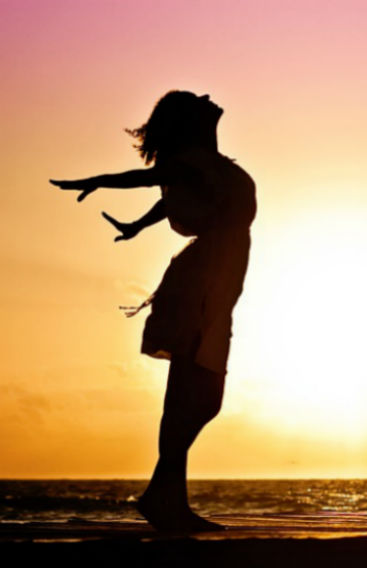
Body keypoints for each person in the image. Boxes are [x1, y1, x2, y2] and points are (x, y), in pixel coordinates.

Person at [50, 91, 257, 532]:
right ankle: (165, 500)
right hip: (200, 283)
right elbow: (145, 180)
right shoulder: (190, 161)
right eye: (196, 98)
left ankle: (164, 497)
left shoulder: (207, 166)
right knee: (195, 393)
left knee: (199, 396)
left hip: (214, 281)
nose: (207, 95)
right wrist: (99, 181)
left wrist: (136, 226)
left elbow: (169, 198)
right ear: (189, 119)